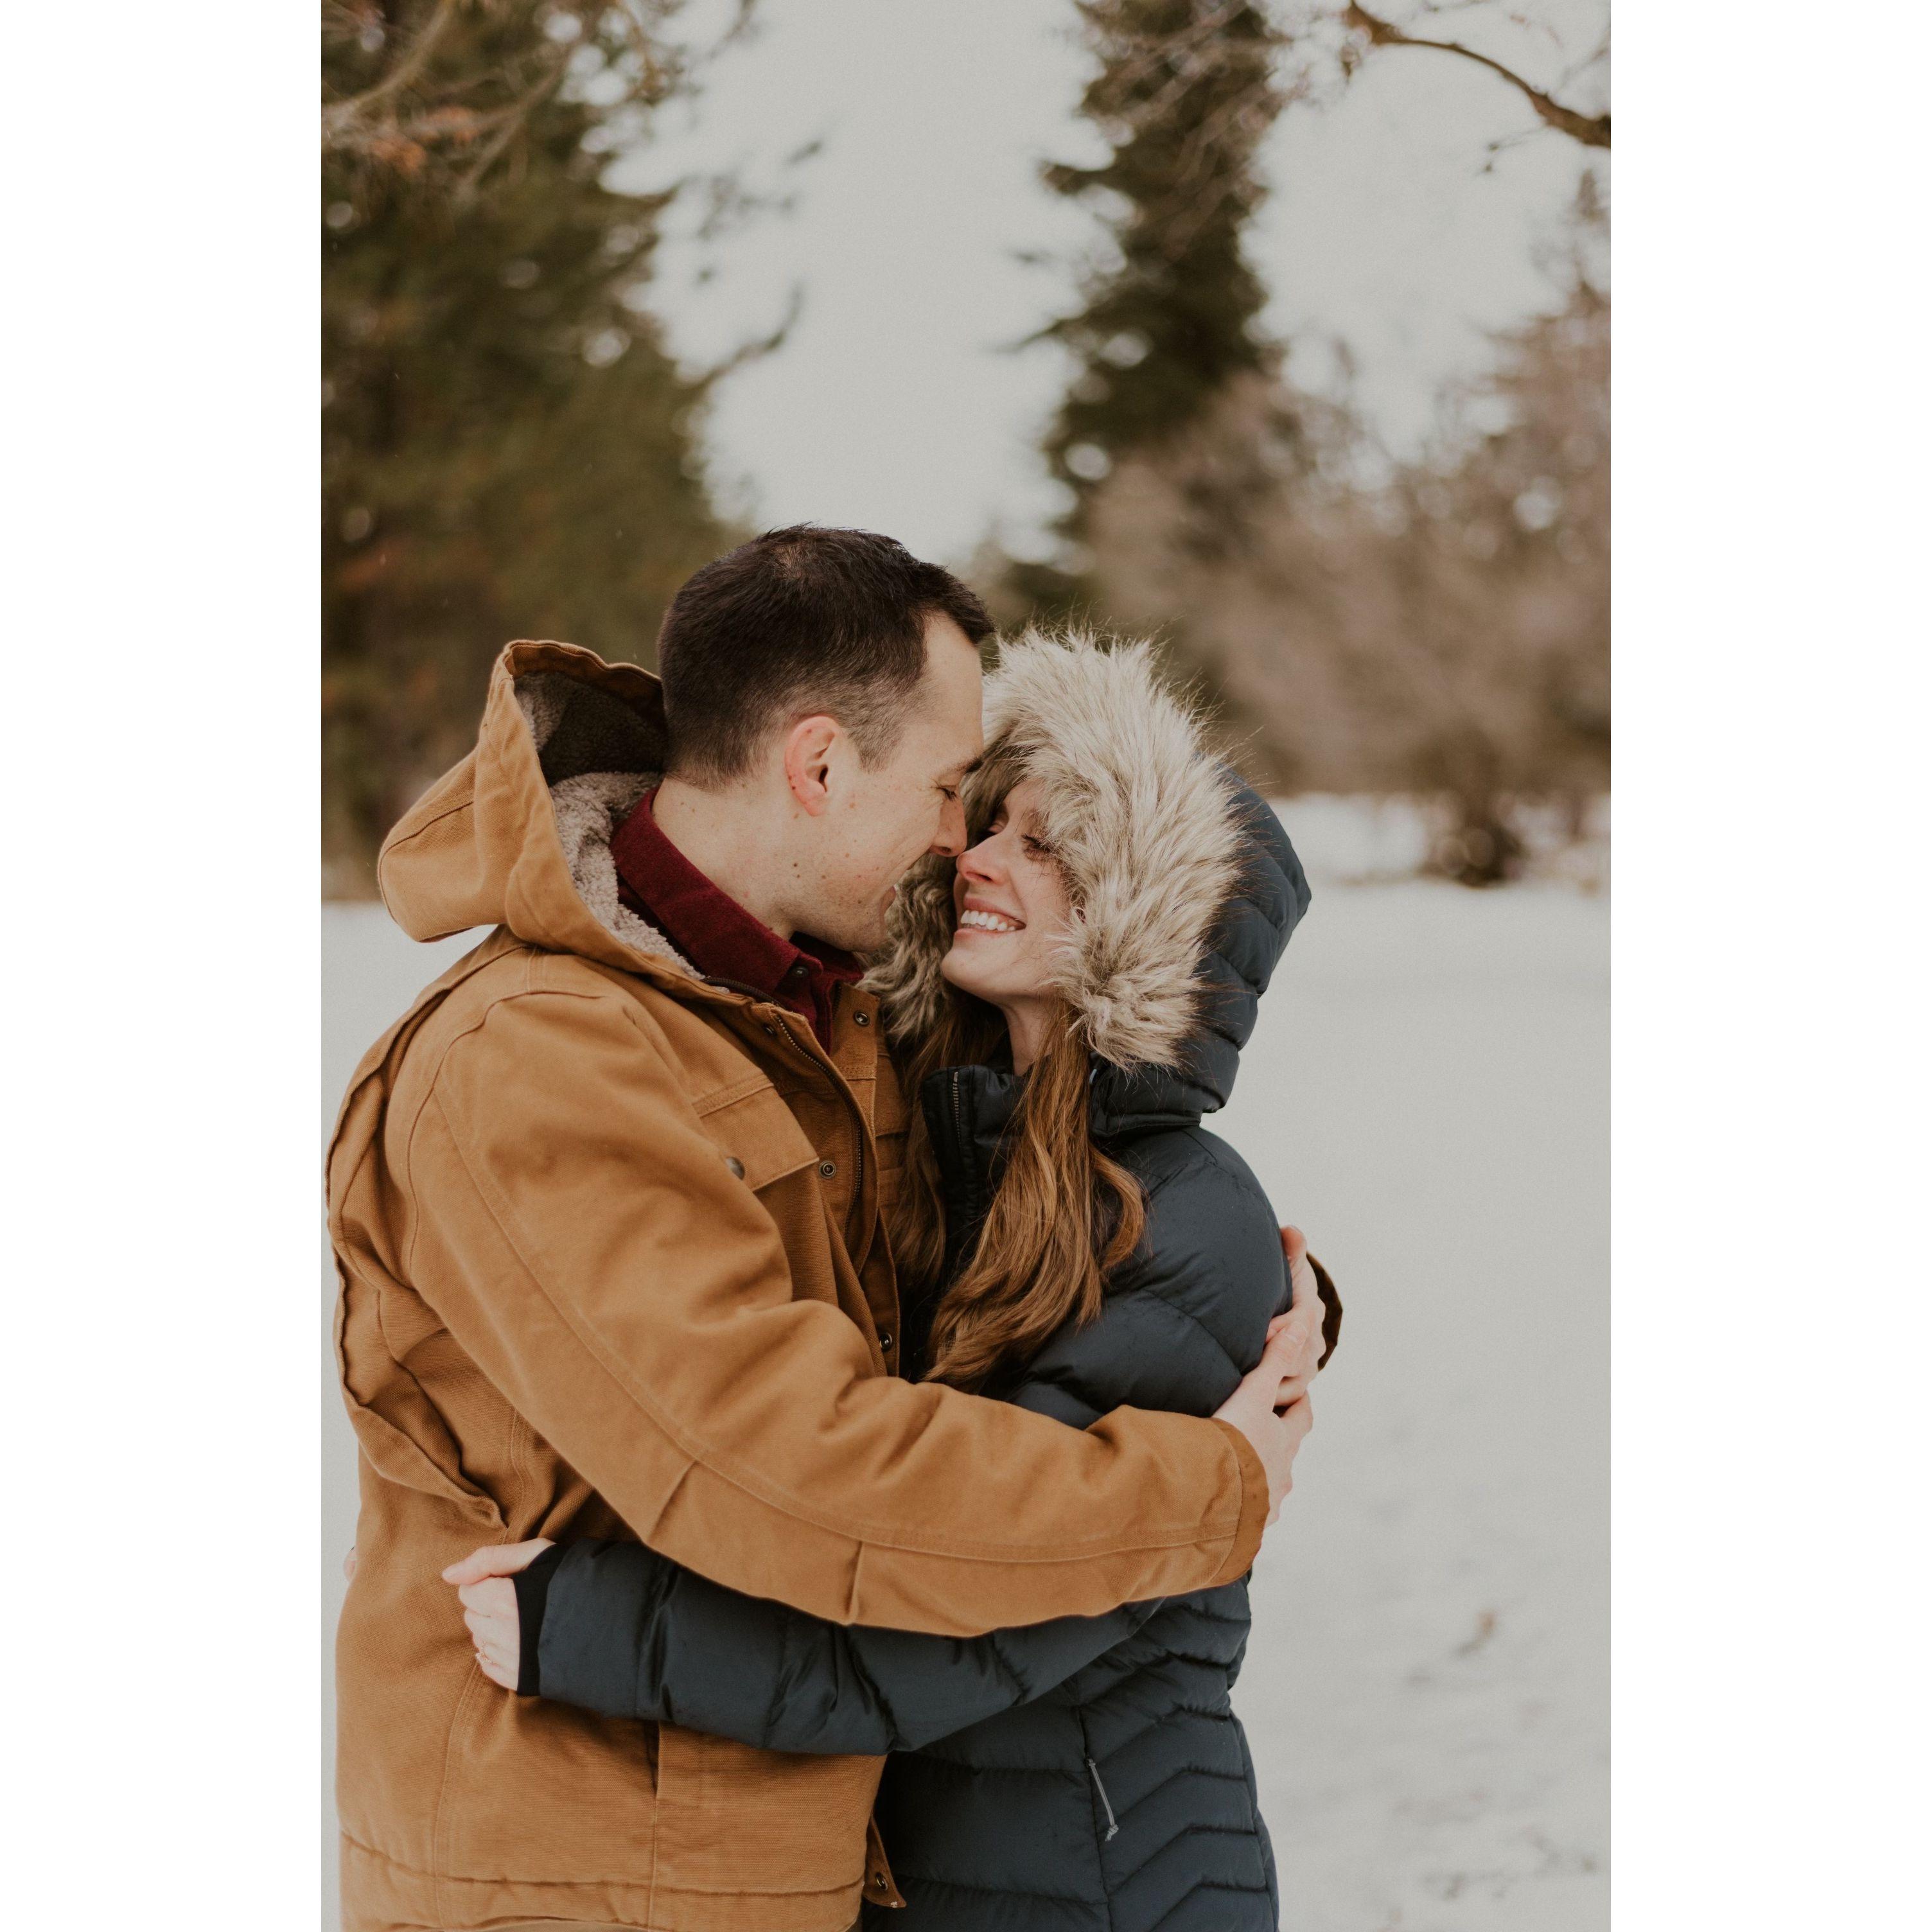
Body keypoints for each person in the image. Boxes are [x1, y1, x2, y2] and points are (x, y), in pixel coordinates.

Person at [328, 528, 1324, 1932]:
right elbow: (796, 1472)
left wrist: (1266, 1293)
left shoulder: (822, 1017)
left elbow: (1095, 1173)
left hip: (784, 1856)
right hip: (586, 1871)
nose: (954, 842)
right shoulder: (539, 1059)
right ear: (814, 765)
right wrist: (1211, 1485)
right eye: (947, 792)